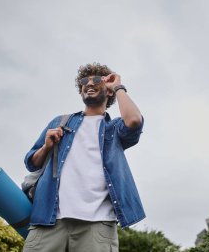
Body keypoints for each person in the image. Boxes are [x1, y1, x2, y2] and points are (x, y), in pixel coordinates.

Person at [23, 63, 145, 252]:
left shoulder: (114, 128)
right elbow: (32, 163)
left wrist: (118, 86)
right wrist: (46, 146)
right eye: (84, 81)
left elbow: (134, 121)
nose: (89, 83)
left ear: (109, 91)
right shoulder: (60, 122)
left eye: (97, 80)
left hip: (97, 225)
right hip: (49, 220)